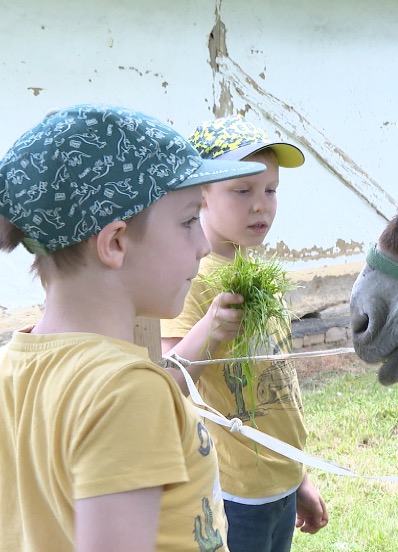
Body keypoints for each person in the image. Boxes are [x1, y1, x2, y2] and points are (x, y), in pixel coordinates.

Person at [0, 104, 267, 551]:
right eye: (187, 221)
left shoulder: (11, 370)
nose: (203, 245)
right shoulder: (127, 393)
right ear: (116, 242)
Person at [161, 114, 328, 552]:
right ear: (200, 195)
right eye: (242, 191)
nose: (262, 205)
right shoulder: (189, 277)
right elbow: (167, 383)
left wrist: (300, 475)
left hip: (280, 483)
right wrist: (209, 329)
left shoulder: (253, 267)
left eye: (270, 190)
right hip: (235, 493)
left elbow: (277, 384)